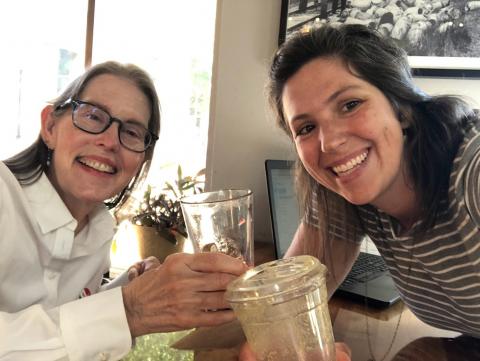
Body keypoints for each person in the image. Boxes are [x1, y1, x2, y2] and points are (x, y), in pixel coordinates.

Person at [0, 61, 248, 360]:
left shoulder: (98, 230)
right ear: (50, 126)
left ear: (141, 161)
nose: (109, 141)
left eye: (131, 132)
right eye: (92, 116)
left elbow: (57, 322)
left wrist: (127, 288)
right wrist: (129, 309)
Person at [266, 23, 480, 356]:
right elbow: (284, 309)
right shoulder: (342, 195)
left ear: (401, 107)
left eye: (350, 104)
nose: (330, 142)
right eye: (306, 127)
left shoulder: (472, 169)